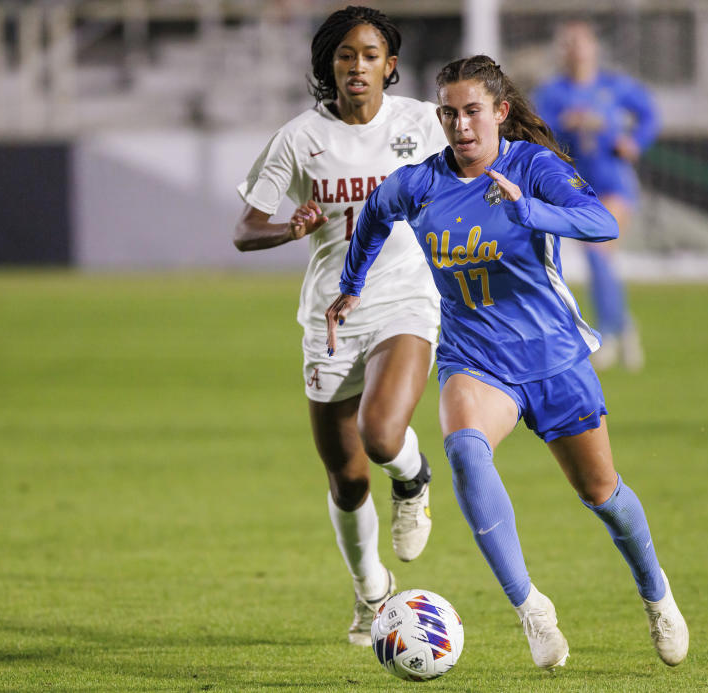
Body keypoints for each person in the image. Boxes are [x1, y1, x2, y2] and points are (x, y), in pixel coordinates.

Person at [326, 55, 688, 671]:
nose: (461, 125)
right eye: (449, 112)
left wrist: (532, 212)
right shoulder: (421, 183)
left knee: (601, 492)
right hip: (475, 357)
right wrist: (351, 284)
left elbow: (600, 223)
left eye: (472, 111)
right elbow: (376, 215)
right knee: (465, 450)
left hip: (552, 357)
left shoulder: (534, 166)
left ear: (500, 112)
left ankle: (656, 594)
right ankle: (532, 611)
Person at [233, 6, 449, 646]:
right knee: (347, 476)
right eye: (345, 55)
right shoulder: (301, 138)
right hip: (330, 316)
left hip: (405, 300)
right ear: (330, 66)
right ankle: (370, 593)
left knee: (382, 435)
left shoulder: (421, 123)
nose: (358, 66)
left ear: (391, 65)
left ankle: (413, 479)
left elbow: (473, 165)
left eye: (370, 54)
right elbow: (244, 228)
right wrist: (289, 228)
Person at [533, 21, 659, 372]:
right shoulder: (552, 93)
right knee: (601, 260)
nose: (574, 49)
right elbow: (540, 134)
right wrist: (564, 125)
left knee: (598, 251)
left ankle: (608, 334)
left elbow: (649, 115)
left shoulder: (614, 86)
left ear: (593, 47)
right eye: (567, 43)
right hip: (575, 189)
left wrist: (635, 142)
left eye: (580, 42)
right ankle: (623, 324)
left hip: (615, 184)